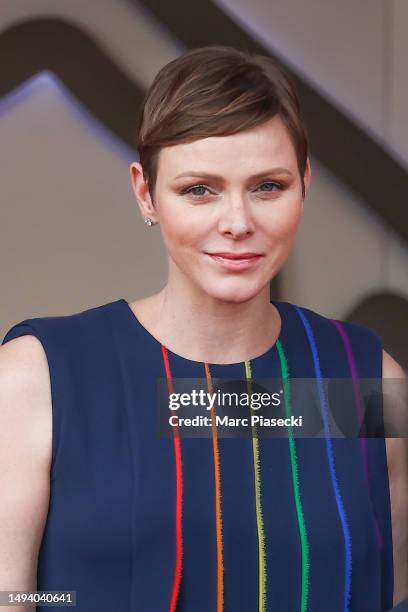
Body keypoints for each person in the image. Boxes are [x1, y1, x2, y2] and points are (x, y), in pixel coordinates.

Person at [0, 45, 407, 612]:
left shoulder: (364, 381)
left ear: (305, 185)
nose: (237, 222)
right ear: (146, 193)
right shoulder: (39, 379)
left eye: (268, 186)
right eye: (200, 189)